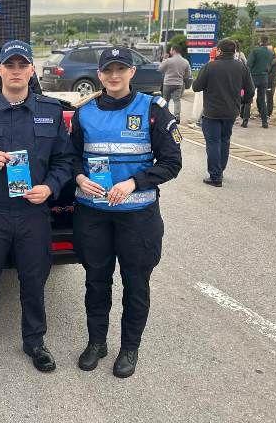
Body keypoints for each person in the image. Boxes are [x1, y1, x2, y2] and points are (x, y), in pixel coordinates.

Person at [0, 40, 73, 375]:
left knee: (34, 282)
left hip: (33, 213)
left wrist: (49, 187)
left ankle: (35, 342)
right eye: (10, 65)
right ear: (0, 70)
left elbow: (65, 160)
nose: (17, 71)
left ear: (32, 70)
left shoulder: (51, 111)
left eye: (23, 65)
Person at [70, 46, 181, 379]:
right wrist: (80, 178)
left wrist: (134, 182)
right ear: (100, 74)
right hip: (93, 214)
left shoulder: (153, 110)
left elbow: (172, 162)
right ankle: (96, 342)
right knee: (96, 281)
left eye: (121, 69)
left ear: (132, 72)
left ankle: (129, 348)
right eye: (108, 70)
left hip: (138, 216)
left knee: (136, 284)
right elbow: (70, 157)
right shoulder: (84, 113)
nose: (114, 75)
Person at [191, 38, 254, 187]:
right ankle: (220, 170)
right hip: (231, 112)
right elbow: (250, 90)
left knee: (213, 142)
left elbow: (196, 87)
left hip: (212, 112)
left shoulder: (210, 66)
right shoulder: (242, 67)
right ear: (234, 51)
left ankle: (215, 176)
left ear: (219, 51)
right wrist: (241, 102)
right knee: (225, 140)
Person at [243, 35, 275, 128]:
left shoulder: (255, 51)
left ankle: (245, 121)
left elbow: (248, 65)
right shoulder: (270, 52)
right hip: (264, 77)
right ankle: (264, 122)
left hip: (253, 77)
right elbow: (270, 65)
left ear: (260, 41)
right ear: (267, 41)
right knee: (262, 100)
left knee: (248, 99)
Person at [158, 45, 191, 123]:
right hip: (179, 84)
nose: (170, 51)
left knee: (165, 100)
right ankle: (177, 117)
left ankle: (165, 116)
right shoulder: (185, 61)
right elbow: (188, 75)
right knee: (177, 100)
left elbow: (160, 69)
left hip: (168, 83)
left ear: (174, 51)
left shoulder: (168, 60)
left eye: (171, 50)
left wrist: (164, 59)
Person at [266, 45, 276, 119]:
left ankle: (268, 113)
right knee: (264, 97)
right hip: (265, 80)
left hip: (271, 81)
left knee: (270, 97)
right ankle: (263, 111)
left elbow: (273, 73)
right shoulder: (265, 58)